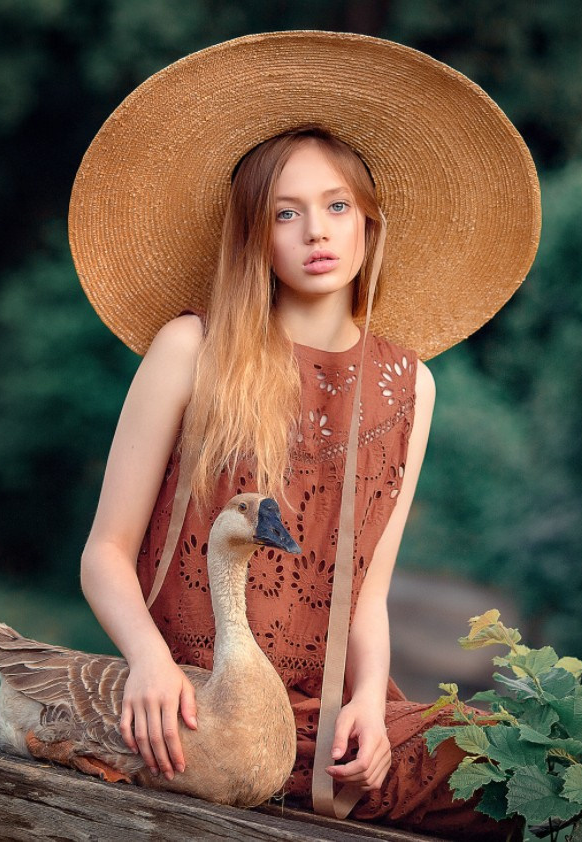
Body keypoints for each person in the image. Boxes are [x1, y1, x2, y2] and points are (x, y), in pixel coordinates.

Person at [70, 32, 540, 838]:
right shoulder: (191, 349)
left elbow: (367, 593)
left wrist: (369, 701)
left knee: (530, 761)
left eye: (336, 206)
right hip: (196, 696)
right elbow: (104, 553)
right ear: (255, 237)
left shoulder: (411, 386)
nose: (315, 231)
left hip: (325, 712)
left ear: (369, 224)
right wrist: (146, 660)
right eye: (285, 213)